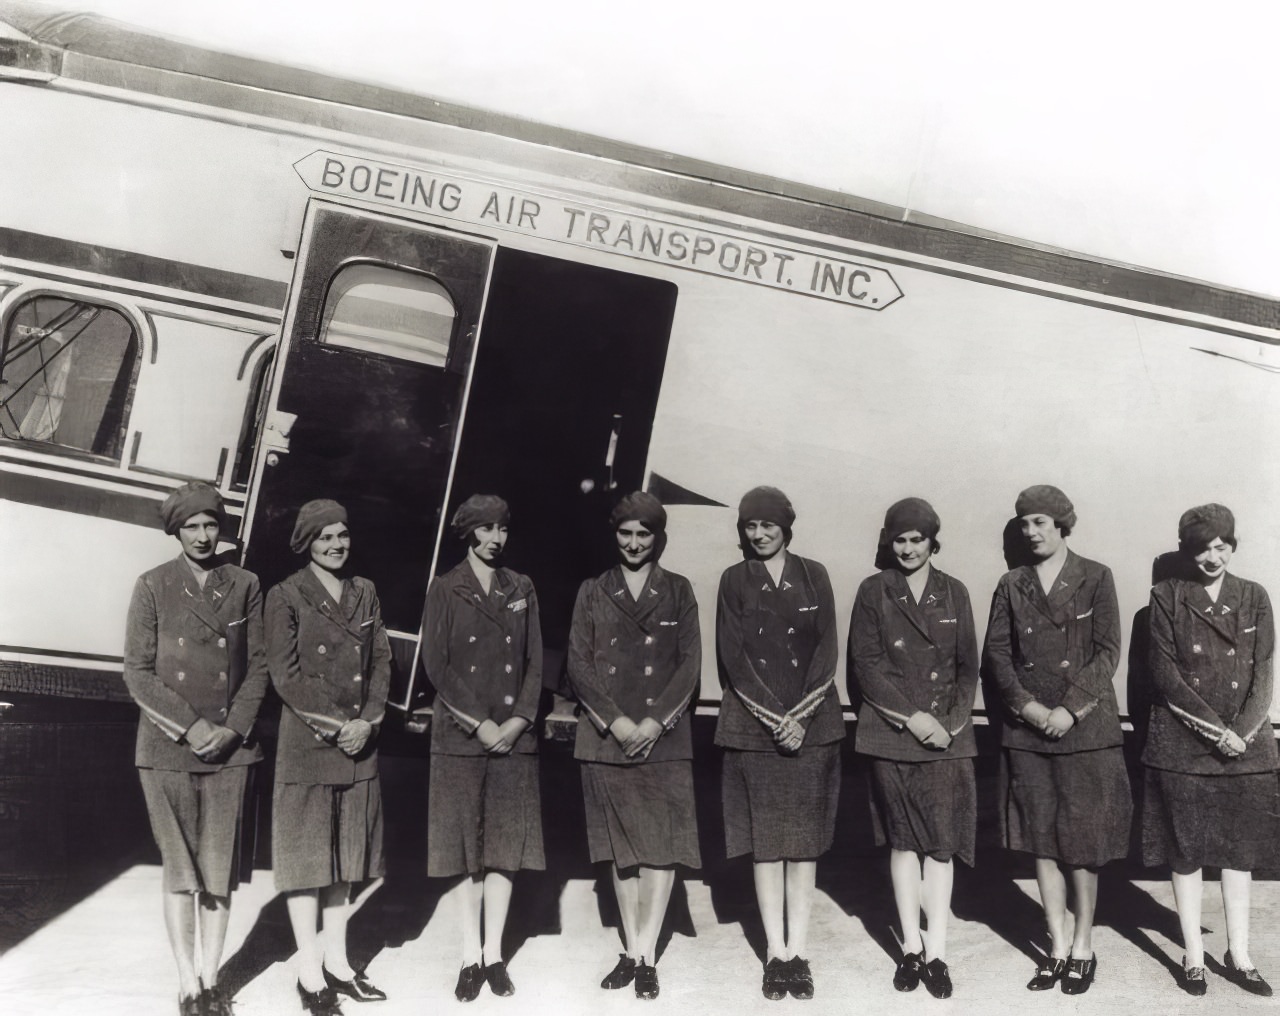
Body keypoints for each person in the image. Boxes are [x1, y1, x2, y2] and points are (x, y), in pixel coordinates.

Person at [123, 481, 269, 1016]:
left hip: (231, 748)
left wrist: (232, 729)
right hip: (167, 747)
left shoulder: (246, 584)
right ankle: (186, 983)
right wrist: (190, 727)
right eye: (192, 526)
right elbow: (137, 673)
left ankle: (212, 981)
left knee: (218, 870)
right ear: (176, 531)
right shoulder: (153, 585)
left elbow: (260, 665)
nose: (204, 536)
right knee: (181, 870)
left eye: (211, 524)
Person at [982, 485, 1131, 996]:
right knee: (1041, 842)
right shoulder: (1011, 583)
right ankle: (1058, 944)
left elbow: (1108, 651)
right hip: (1029, 731)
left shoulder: (1096, 576)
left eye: (1040, 522)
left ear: (1063, 525)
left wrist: (1069, 710)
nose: (1031, 532)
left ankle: (1084, 944)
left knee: (1081, 844)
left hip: (1083, 730)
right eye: (1024, 523)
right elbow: (997, 656)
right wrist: (1029, 708)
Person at [566, 491, 701, 1001]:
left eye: (644, 534)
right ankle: (632, 948)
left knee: (660, 847)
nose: (634, 543)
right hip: (608, 738)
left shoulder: (679, 590)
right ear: (614, 535)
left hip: (662, 739)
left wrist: (653, 722)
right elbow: (579, 663)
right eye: (626, 533)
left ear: (658, 537)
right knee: (620, 852)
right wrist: (618, 723)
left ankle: (646, 952)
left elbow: (689, 666)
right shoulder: (592, 591)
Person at [1141, 504, 1277, 997]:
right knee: (1186, 852)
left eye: (1221, 546)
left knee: (1239, 855)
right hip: (1185, 745)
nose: (1212, 556)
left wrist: (1240, 731)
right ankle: (1194, 956)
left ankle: (1238, 954)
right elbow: (1165, 675)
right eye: (1202, 547)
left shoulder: (1255, 596)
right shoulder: (1165, 596)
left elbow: (1264, 671)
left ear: (1233, 546)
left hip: (1246, 747)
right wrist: (1215, 731)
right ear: (1187, 550)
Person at [714, 486, 842, 1001]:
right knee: (766, 847)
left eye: (769, 525)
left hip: (810, 726)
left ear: (787, 528)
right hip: (755, 727)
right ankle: (775, 953)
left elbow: (827, 648)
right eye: (751, 526)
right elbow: (732, 656)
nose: (760, 534)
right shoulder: (734, 579)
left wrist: (802, 716)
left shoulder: (815, 574)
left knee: (803, 846)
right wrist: (775, 718)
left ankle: (800, 951)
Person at [266, 500, 391, 1016]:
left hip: (360, 742)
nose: (336, 545)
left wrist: (371, 719)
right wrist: (341, 726)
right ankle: (309, 972)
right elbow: (285, 674)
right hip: (311, 744)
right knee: (306, 864)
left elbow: (381, 658)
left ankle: (339, 965)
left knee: (346, 860)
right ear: (306, 544)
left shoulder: (365, 591)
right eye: (324, 539)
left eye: (342, 535)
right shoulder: (286, 595)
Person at [849, 498, 978, 999]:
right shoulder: (874, 590)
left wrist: (948, 723)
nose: (907, 548)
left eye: (916, 540)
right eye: (899, 540)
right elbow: (866, 664)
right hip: (893, 732)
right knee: (903, 842)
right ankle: (910, 947)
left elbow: (968, 666)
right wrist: (914, 718)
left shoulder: (955, 591)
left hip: (947, 735)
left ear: (932, 542)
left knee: (940, 845)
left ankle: (939, 952)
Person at [423, 495, 545, 1001]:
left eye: (503, 528)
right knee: (461, 848)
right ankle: (469, 954)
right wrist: (480, 725)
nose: (497, 538)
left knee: (503, 846)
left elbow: (536, 658)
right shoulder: (445, 587)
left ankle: (494, 953)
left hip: (514, 736)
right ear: (468, 533)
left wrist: (518, 720)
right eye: (487, 529)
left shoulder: (523, 587)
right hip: (462, 736)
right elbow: (437, 662)